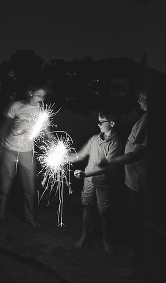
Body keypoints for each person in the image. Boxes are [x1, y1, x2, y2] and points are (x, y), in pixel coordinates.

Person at [99, 89, 149, 279]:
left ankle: (136, 267)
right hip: (133, 180)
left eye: (142, 96)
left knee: (139, 224)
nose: (138, 98)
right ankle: (130, 238)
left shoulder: (150, 120)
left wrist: (109, 161)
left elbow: (137, 154)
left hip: (141, 182)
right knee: (133, 217)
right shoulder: (145, 117)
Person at [0, 85, 51, 231]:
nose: (42, 99)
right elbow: (4, 127)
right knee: (4, 187)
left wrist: (54, 145)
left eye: (44, 96)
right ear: (30, 92)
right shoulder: (16, 106)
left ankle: (29, 218)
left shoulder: (42, 110)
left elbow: (47, 132)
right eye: (39, 95)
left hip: (27, 153)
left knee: (29, 188)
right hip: (9, 150)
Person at [69, 109, 123, 254]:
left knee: (103, 212)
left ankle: (105, 240)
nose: (98, 124)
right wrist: (64, 157)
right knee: (86, 206)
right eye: (98, 122)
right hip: (88, 180)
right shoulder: (94, 139)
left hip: (105, 182)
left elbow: (106, 168)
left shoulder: (115, 143)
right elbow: (80, 155)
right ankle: (84, 235)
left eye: (101, 122)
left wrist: (84, 173)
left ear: (112, 123)